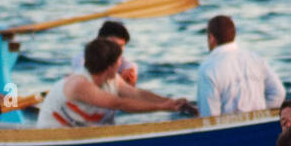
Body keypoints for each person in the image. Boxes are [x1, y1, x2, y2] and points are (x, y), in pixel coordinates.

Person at [37, 38, 193, 128]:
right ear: (110, 66)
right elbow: (118, 103)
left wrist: (169, 101)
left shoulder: (112, 78)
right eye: (119, 60)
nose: (122, 63)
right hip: (51, 136)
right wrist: (162, 108)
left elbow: (138, 94)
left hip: (79, 135)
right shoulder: (79, 84)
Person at [196, 14, 284, 117]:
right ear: (234, 34)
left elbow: (210, 116)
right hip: (260, 125)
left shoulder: (207, 68)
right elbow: (278, 93)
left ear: (211, 38)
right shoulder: (255, 58)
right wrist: (260, 114)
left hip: (230, 130)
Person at [70, 20, 137, 86]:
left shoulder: (127, 66)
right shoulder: (82, 59)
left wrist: (130, 84)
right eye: (113, 44)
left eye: (121, 46)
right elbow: (85, 88)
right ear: (99, 41)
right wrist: (119, 82)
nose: (116, 49)